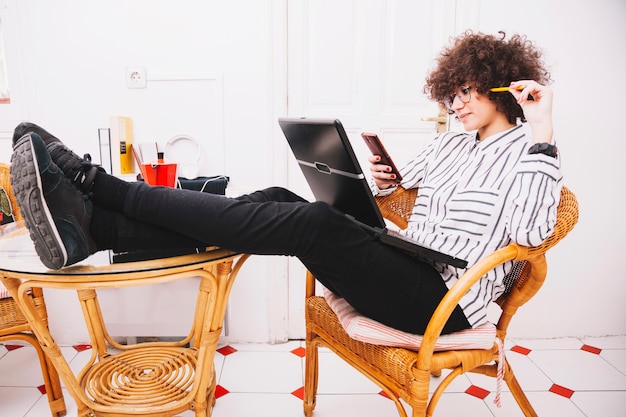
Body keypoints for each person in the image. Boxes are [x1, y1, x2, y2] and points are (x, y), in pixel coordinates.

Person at [9, 31, 561, 336]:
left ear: (501, 88)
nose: (457, 103)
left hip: (447, 301)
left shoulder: (531, 152)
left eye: (468, 92)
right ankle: (98, 227)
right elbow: (394, 196)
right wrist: (383, 182)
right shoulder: (451, 143)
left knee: (311, 223)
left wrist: (543, 127)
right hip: (408, 266)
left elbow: (535, 229)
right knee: (277, 200)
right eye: (452, 94)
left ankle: (99, 191)